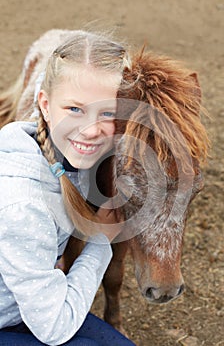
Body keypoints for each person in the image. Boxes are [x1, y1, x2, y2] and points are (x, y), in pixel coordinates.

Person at [0, 31, 135, 345]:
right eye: (75, 109)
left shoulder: (59, 155)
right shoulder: (21, 204)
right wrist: (101, 241)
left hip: (23, 306)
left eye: (108, 113)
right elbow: (54, 329)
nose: (90, 130)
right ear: (45, 105)